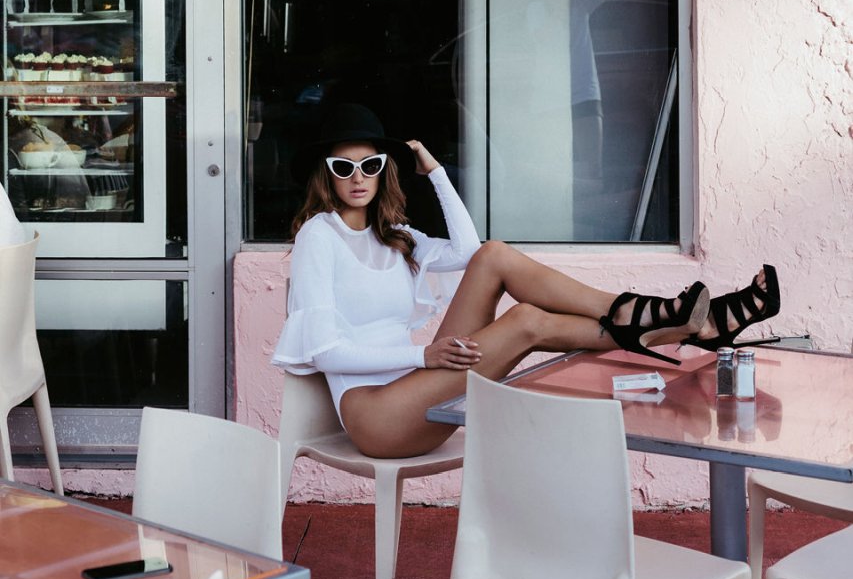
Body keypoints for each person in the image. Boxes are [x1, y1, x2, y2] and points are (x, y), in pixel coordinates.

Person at [272, 104, 780, 460]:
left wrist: (437, 172)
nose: (357, 176)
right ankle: (668, 322)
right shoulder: (319, 237)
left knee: (496, 259)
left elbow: (469, 252)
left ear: (384, 171)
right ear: (326, 174)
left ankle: (659, 322)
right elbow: (326, 353)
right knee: (523, 322)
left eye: (370, 165)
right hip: (377, 416)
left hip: (417, 386)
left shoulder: (395, 235)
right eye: (344, 167)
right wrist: (423, 355)